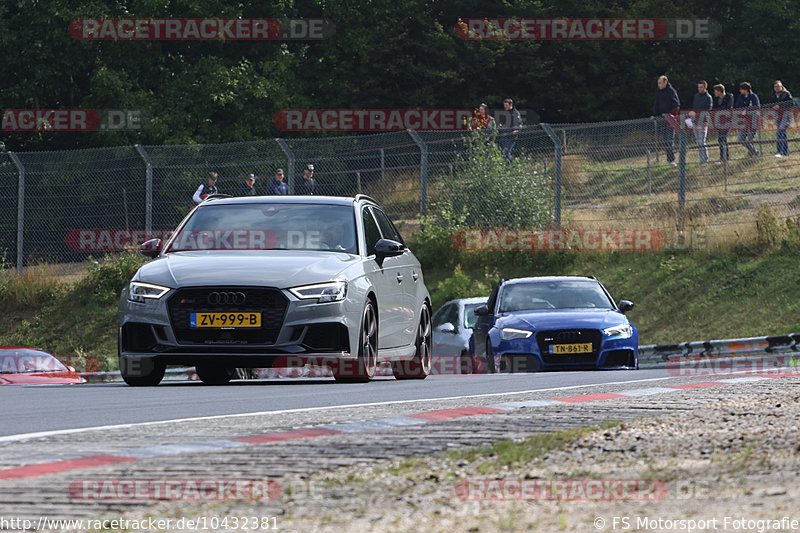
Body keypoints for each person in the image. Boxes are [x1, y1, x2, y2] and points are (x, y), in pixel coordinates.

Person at [650, 75, 681, 165]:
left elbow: (676, 104)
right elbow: (657, 103)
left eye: (660, 83)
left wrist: (673, 115)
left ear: (665, 83)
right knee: (665, 140)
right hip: (662, 118)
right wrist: (654, 114)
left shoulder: (671, 91)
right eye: (658, 83)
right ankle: (669, 159)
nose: (658, 85)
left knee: (669, 139)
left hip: (670, 118)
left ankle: (672, 160)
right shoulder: (659, 92)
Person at [688, 81, 713, 164]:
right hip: (695, 121)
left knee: (702, 141)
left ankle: (705, 160)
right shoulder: (696, 96)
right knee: (698, 142)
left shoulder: (708, 97)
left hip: (703, 122)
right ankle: (701, 159)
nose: (699, 89)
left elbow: (707, 111)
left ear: (705, 87)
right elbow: (694, 107)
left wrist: (697, 114)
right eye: (698, 87)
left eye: (701, 87)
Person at [735, 82, 761, 157]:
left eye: (741, 89)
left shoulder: (753, 96)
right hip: (743, 121)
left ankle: (752, 154)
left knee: (750, 138)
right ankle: (754, 151)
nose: (740, 91)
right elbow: (737, 107)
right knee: (740, 139)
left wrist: (747, 110)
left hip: (753, 120)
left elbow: (757, 106)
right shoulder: (740, 97)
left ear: (746, 89)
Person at [712, 84, 734, 163]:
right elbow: (714, 109)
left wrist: (719, 110)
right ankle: (722, 156)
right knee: (720, 139)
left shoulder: (729, 97)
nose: (715, 93)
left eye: (716, 91)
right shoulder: (716, 99)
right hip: (719, 121)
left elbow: (727, 107)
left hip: (727, 121)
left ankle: (726, 157)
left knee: (723, 138)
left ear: (719, 91)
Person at [771, 80, 793, 157]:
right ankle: (786, 152)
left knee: (779, 132)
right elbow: (770, 104)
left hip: (786, 116)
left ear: (782, 86)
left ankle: (779, 151)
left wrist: (780, 106)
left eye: (778, 86)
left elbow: (791, 103)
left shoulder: (786, 94)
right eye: (775, 86)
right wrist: (773, 107)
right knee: (783, 134)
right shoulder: (773, 95)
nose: (777, 88)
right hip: (778, 116)